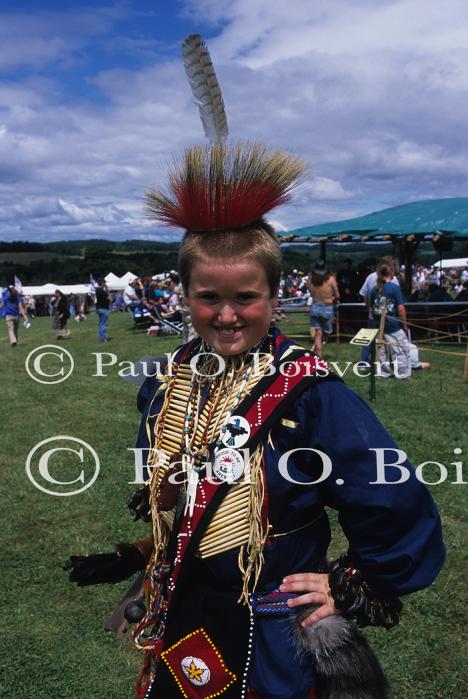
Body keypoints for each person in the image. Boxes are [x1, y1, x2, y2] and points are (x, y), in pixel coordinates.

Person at [65, 143, 445, 699]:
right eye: (207, 297)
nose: (225, 314)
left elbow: (390, 492)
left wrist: (358, 580)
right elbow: (176, 494)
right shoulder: (165, 383)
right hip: (183, 612)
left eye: (245, 296)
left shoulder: (310, 395)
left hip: (267, 633)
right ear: (184, 295)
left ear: (274, 298)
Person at [369, 261, 414, 378]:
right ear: (391, 272)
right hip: (393, 324)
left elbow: (371, 309)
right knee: (399, 349)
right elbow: (401, 308)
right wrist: (404, 324)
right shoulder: (394, 288)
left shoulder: (374, 290)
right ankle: (403, 373)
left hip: (378, 324)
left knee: (381, 350)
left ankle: (383, 373)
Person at [306, 260, 339, 357]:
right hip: (327, 307)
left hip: (315, 306)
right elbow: (337, 295)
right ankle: (319, 354)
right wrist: (333, 298)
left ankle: (319, 356)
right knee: (326, 333)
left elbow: (311, 293)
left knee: (318, 334)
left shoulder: (310, 280)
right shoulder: (331, 279)